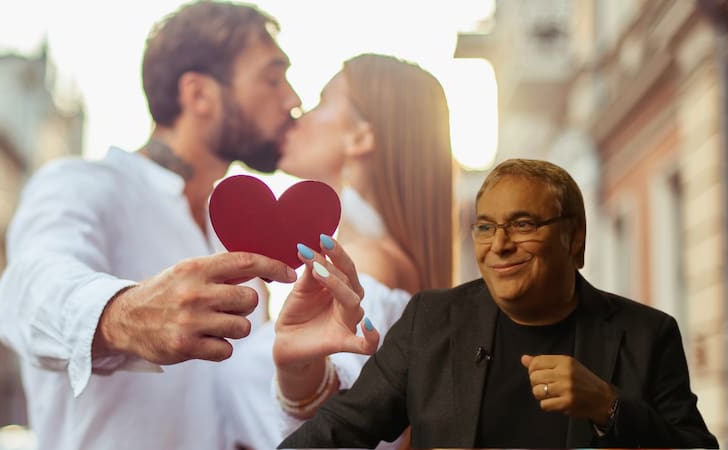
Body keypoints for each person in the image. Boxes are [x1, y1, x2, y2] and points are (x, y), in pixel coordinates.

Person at [0, 2, 302, 449]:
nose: (292, 100)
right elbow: (26, 290)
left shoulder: (234, 240)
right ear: (198, 95)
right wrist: (124, 315)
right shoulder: (82, 185)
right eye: (273, 79)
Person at [278, 158, 719, 449]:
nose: (499, 245)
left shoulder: (647, 334)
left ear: (575, 238)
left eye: (523, 224)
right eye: (485, 227)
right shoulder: (430, 321)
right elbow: (341, 429)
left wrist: (610, 407)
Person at [216, 53, 456, 450]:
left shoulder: (371, 266)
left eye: (322, 101)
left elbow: (347, 416)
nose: (297, 113)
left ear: (361, 137)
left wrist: (302, 379)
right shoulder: (362, 261)